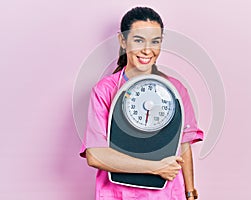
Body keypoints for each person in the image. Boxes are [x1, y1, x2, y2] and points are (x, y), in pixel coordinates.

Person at [80, 6, 204, 200]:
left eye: (155, 41)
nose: (147, 50)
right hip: (117, 194)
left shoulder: (176, 89)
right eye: (138, 40)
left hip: (168, 194)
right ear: (123, 40)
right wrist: (155, 167)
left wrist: (190, 193)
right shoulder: (104, 90)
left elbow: (184, 145)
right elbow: (95, 155)